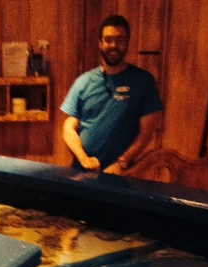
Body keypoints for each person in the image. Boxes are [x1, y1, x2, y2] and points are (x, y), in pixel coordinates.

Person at [61, 14, 162, 174]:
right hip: (82, 174)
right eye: (108, 40)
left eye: (120, 40)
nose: (113, 45)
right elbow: (68, 127)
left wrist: (122, 163)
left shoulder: (143, 81)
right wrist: (84, 159)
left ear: (127, 43)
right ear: (100, 43)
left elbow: (146, 132)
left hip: (123, 176)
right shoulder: (83, 82)